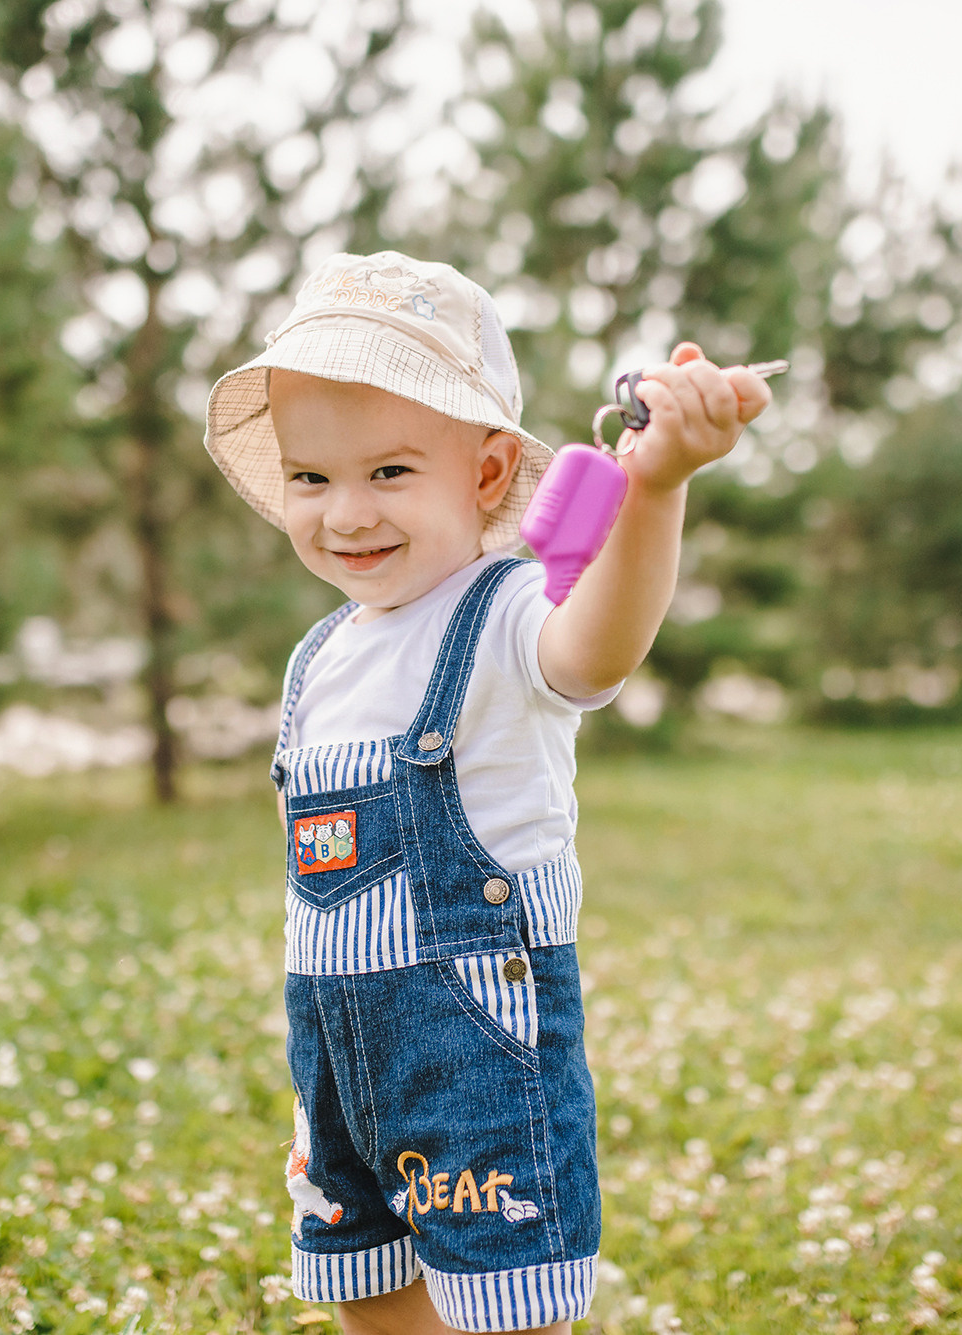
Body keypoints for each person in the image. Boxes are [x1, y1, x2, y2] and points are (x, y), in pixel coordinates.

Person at [203, 251, 771, 1335]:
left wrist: (653, 487)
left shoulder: (508, 615)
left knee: (504, 1320)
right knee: (371, 1304)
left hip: (476, 1049)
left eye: (388, 472)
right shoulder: (317, 657)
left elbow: (595, 651)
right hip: (337, 1059)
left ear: (484, 471)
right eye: (312, 479)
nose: (345, 513)